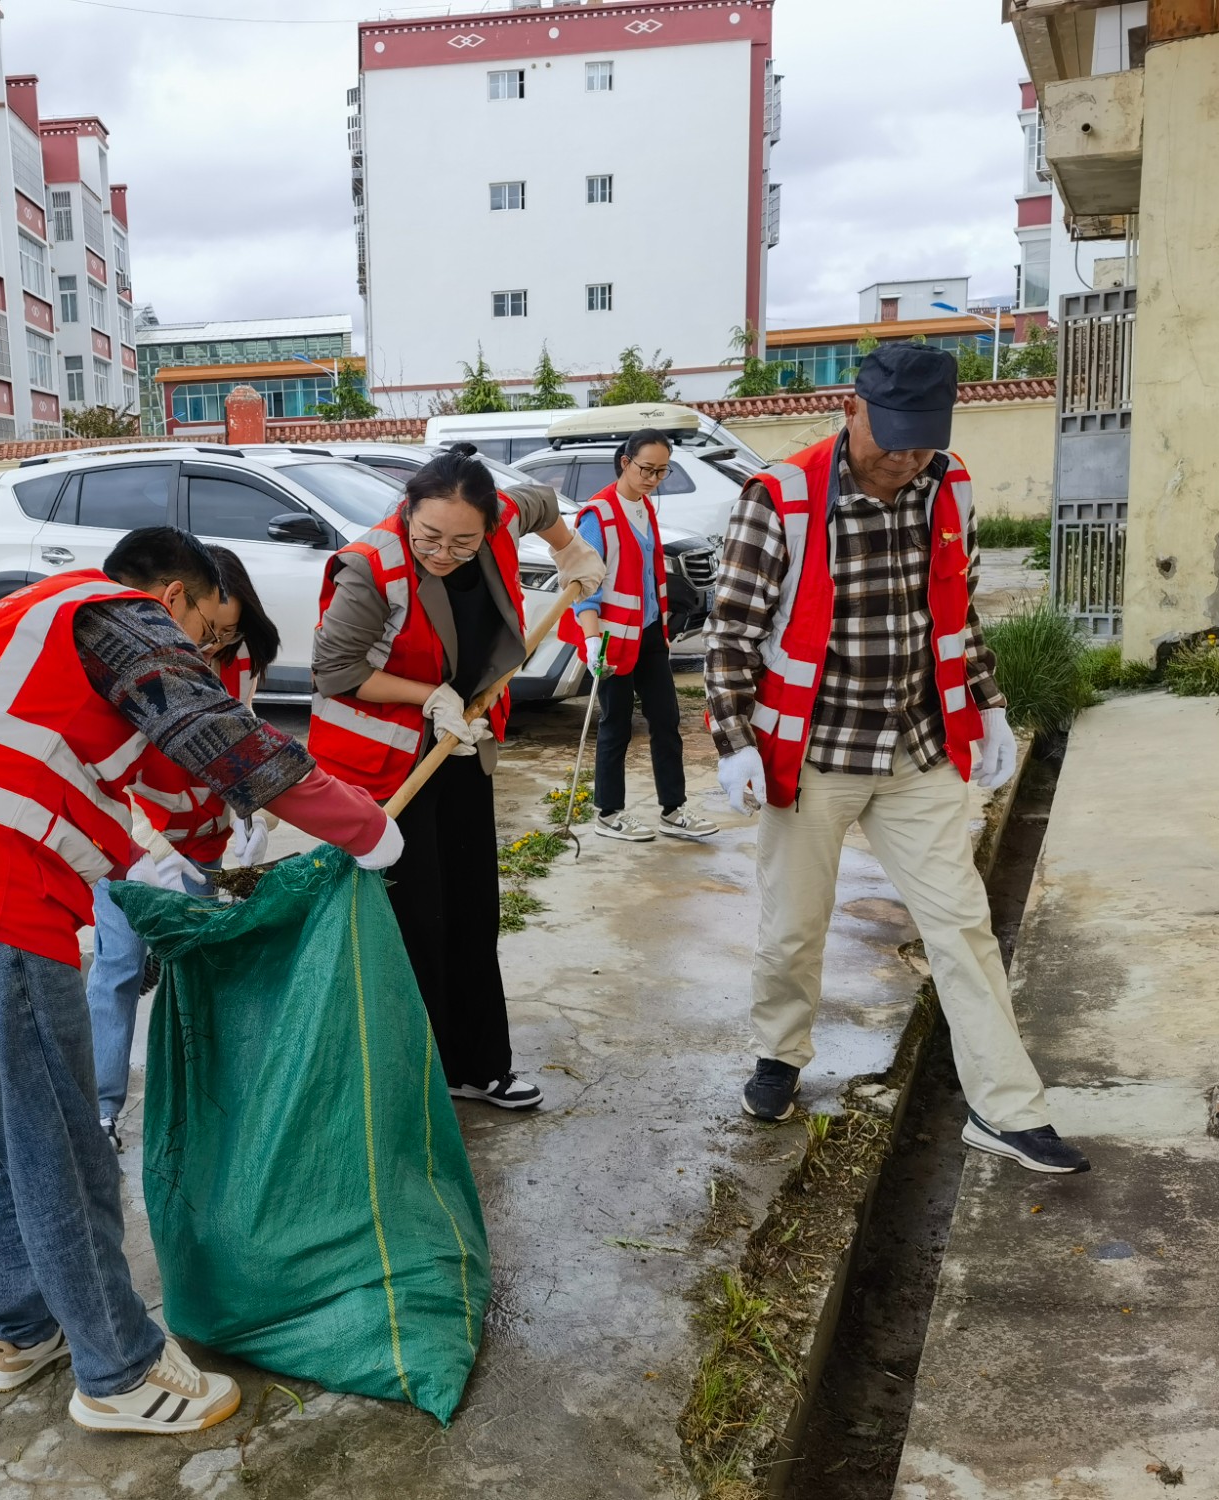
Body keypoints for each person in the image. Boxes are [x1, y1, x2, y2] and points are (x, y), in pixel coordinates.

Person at [0, 527, 403, 1436]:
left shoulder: (28, 628)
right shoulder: (113, 614)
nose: (206, 655)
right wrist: (360, 825)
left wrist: (197, 867)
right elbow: (224, 738)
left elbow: (131, 781)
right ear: (176, 596)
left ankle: (21, 1331)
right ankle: (118, 1372)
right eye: (209, 632)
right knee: (62, 1151)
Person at [706, 345, 1090, 1175]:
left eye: (923, 442)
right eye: (893, 440)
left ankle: (1006, 1109)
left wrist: (989, 705)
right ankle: (779, 1054)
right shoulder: (782, 496)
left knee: (962, 924)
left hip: (918, 747)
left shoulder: (947, 486)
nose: (906, 459)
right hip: (813, 752)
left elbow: (957, 612)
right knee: (795, 924)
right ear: (852, 408)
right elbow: (732, 632)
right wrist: (734, 742)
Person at [309, 444, 606, 1111]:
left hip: (463, 746)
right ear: (408, 512)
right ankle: (408, 1079)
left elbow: (541, 502)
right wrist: (428, 696)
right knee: (416, 920)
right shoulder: (370, 567)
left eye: (463, 542)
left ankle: (477, 1066)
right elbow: (335, 671)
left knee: (472, 908)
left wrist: (570, 551)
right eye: (430, 538)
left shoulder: (498, 517)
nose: (443, 553)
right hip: (389, 770)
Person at [85, 546, 283, 1151]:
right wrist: (147, 849)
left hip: (204, 841)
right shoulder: (131, 661)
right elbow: (106, 773)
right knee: (119, 964)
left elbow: (240, 738)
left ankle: (206, 1101)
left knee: (198, 964)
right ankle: (100, 1109)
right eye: (211, 631)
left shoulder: (240, 657)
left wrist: (250, 811)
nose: (214, 646)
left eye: (229, 635)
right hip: (130, 842)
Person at [572, 428, 719, 844]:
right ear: (625, 462)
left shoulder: (644, 507)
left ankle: (673, 810)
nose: (653, 479)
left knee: (666, 721)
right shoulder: (598, 516)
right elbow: (584, 586)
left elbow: (650, 573)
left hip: (650, 634)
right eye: (647, 469)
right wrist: (592, 640)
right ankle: (609, 813)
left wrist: (663, 626)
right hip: (613, 640)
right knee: (616, 724)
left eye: (661, 472)